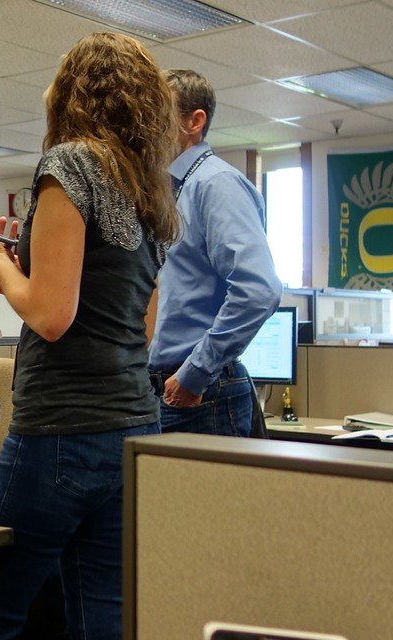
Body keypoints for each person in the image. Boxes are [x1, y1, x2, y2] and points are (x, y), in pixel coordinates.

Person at [0, 32, 180, 640]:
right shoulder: (149, 188)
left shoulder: (69, 166)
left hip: (60, 435)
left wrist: (0, 265)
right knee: (106, 638)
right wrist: (21, 278)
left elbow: (51, 316)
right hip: (134, 426)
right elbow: (137, 323)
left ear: (69, 93)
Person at [147, 69, 283, 436]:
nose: (145, 126)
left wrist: (195, 372)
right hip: (170, 390)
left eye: (158, 113)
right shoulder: (174, 191)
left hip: (202, 395)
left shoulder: (215, 184)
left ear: (195, 121)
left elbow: (259, 290)